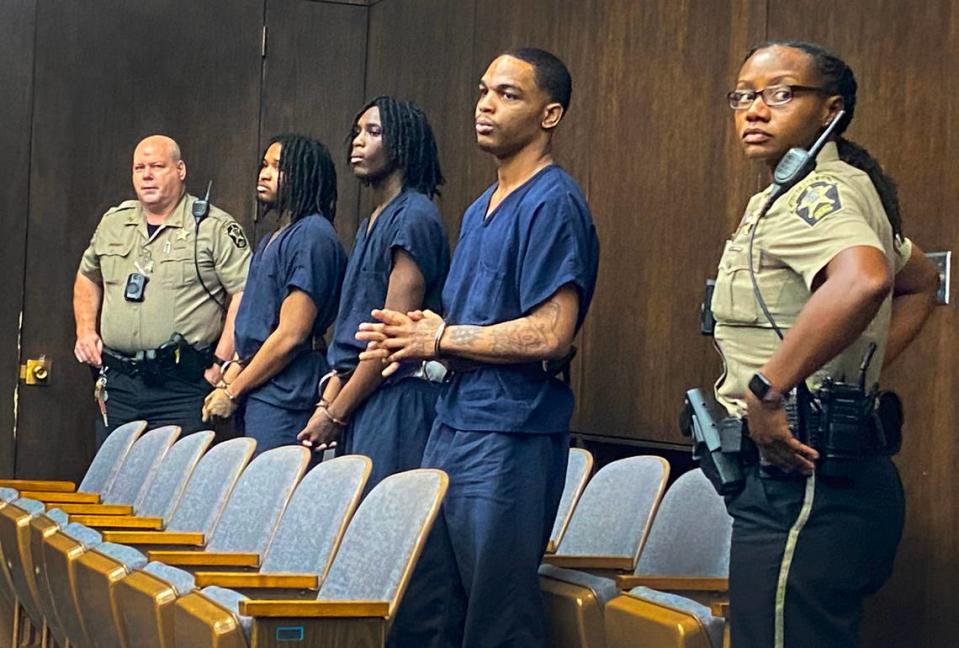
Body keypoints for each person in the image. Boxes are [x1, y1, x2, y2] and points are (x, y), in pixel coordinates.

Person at [358, 48, 600, 648]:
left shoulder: (553, 202)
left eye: (508, 94)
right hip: (452, 423)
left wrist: (438, 336)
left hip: (509, 436)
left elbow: (551, 332)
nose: (486, 104)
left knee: (496, 616)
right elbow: (472, 325)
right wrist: (417, 337)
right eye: (484, 90)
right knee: (427, 606)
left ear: (550, 115)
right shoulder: (476, 210)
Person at [713, 41, 939, 647]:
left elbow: (865, 279)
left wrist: (771, 389)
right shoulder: (792, 193)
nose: (755, 110)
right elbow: (918, 281)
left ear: (830, 111)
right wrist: (846, 372)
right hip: (811, 472)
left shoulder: (823, 191)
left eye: (781, 93)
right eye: (743, 96)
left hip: (805, 484)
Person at [296, 97, 449, 486]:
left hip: (397, 396)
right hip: (360, 393)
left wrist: (335, 414)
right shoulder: (371, 222)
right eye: (357, 132)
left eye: (374, 132)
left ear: (403, 143)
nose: (357, 142)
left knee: (382, 528)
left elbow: (389, 339)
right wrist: (329, 402)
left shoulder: (414, 215)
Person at [74, 135, 250, 445]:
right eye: (139, 167)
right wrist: (85, 330)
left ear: (180, 170)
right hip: (119, 382)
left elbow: (245, 293)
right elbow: (88, 276)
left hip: (182, 384)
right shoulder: (115, 222)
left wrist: (222, 362)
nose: (147, 175)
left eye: (157, 166)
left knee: (176, 486)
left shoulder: (213, 227)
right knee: (114, 484)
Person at [201, 134, 346, 455]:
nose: (264, 173)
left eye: (278, 167)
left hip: (285, 393)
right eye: (264, 165)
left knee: (269, 496)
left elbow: (292, 334)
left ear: (306, 176)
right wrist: (229, 381)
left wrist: (234, 390)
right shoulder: (270, 240)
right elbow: (254, 325)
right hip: (258, 387)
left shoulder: (312, 235)